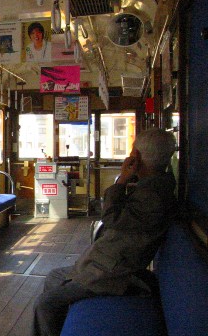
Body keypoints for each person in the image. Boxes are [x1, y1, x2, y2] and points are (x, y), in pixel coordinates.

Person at [32, 128, 178, 336]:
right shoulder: (154, 187)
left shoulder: (153, 195)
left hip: (115, 272)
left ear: (137, 156)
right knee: (54, 276)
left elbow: (110, 218)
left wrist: (122, 180)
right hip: (108, 261)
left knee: (45, 304)